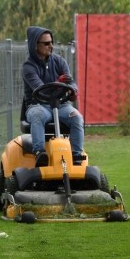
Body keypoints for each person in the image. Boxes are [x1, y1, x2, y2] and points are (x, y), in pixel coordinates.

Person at [22, 26, 86, 166]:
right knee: (37, 116)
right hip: (38, 105)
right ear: (35, 45)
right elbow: (40, 89)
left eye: (51, 42)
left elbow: (71, 82)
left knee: (77, 117)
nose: (51, 46)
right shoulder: (28, 67)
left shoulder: (59, 61)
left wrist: (72, 90)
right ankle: (39, 153)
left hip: (61, 104)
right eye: (46, 43)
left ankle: (76, 156)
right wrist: (59, 83)